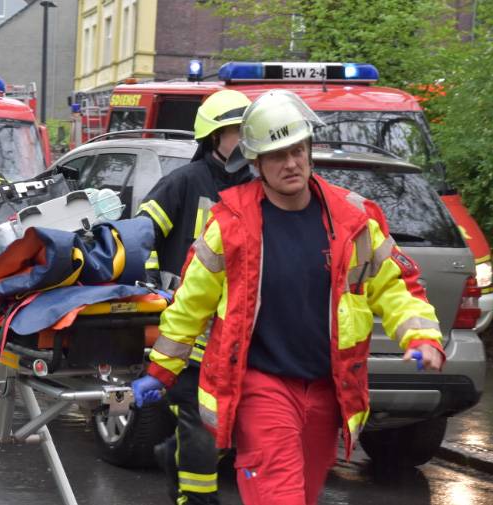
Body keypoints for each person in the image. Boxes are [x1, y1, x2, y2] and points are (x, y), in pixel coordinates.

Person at [132, 90, 446, 505]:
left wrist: (420, 336)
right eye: (277, 155)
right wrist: (161, 371)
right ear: (257, 163)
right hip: (261, 385)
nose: (292, 163)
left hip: (326, 390)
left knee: (302, 494)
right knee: (279, 496)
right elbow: (191, 306)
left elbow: (395, 286)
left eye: (298, 150)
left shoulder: (353, 219)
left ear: (310, 150)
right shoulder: (231, 225)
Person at [134, 89, 253, 505]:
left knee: (225, 425)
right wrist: (152, 290)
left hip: (236, 331)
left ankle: (173, 458)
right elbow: (142, 235)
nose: (244, 140)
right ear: (212, 137)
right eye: (236, 132)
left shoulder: (258, 187)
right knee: (199, 421)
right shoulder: (185, 182)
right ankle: (195, 498)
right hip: (187, 329)